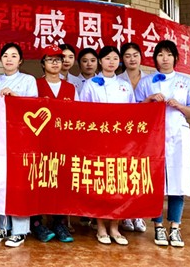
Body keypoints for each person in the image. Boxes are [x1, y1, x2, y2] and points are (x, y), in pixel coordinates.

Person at [135, 40, 190, 248]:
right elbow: (136, 109)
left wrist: (178, 105)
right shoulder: (146, 82)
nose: (165, 59)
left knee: (178, 180)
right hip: (154, 136)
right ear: (155, 58)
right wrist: (150, 99)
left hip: (178, 135)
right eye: (161, 55)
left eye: (169, 54)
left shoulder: (185, 81)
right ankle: (158, 226)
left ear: (175, 58)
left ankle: (175, 227)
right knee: (156, 180)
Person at [80, 45, 135, 246]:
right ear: (100, 61)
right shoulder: (90, 85)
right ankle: (101, 227)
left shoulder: (125, 85)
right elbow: (82, 112)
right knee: (99, 184)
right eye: (107, 58)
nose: (111, 62)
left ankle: (115, 227)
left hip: (120, 142)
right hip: (97, 141)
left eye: (115, 58)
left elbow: (132, 113)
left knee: (117, 183)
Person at [0, 43, 37, 248]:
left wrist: (16, 98)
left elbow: (33, 107)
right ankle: (3, 226)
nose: (9, 59)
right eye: (5, 55)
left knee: (18, 184)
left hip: (19, 139)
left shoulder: (28, 80)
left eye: (14, 56)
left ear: (21, 60)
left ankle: (19, 230)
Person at [32, 44, 78, 244]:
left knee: (61, 182)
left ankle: (59, 222)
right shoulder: (35, 85)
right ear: (43, 63)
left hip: (64, 143)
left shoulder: (70, 88)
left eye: (58, 60)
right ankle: (37, 223)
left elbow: (78, 114)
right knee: (40, 181)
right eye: (50, 60)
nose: (55, 63)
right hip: (40, 142)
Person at [117, 42, 148, 233]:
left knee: (140, 171)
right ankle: (126, 215)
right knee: (124, 172)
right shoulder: (116, 80)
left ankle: (138, 214)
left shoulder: (151, 79)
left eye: (135, 55)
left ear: (141, 57)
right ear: (122, 59)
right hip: (122, 133)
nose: (132, 59)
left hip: (145, 133)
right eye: (127, 56)